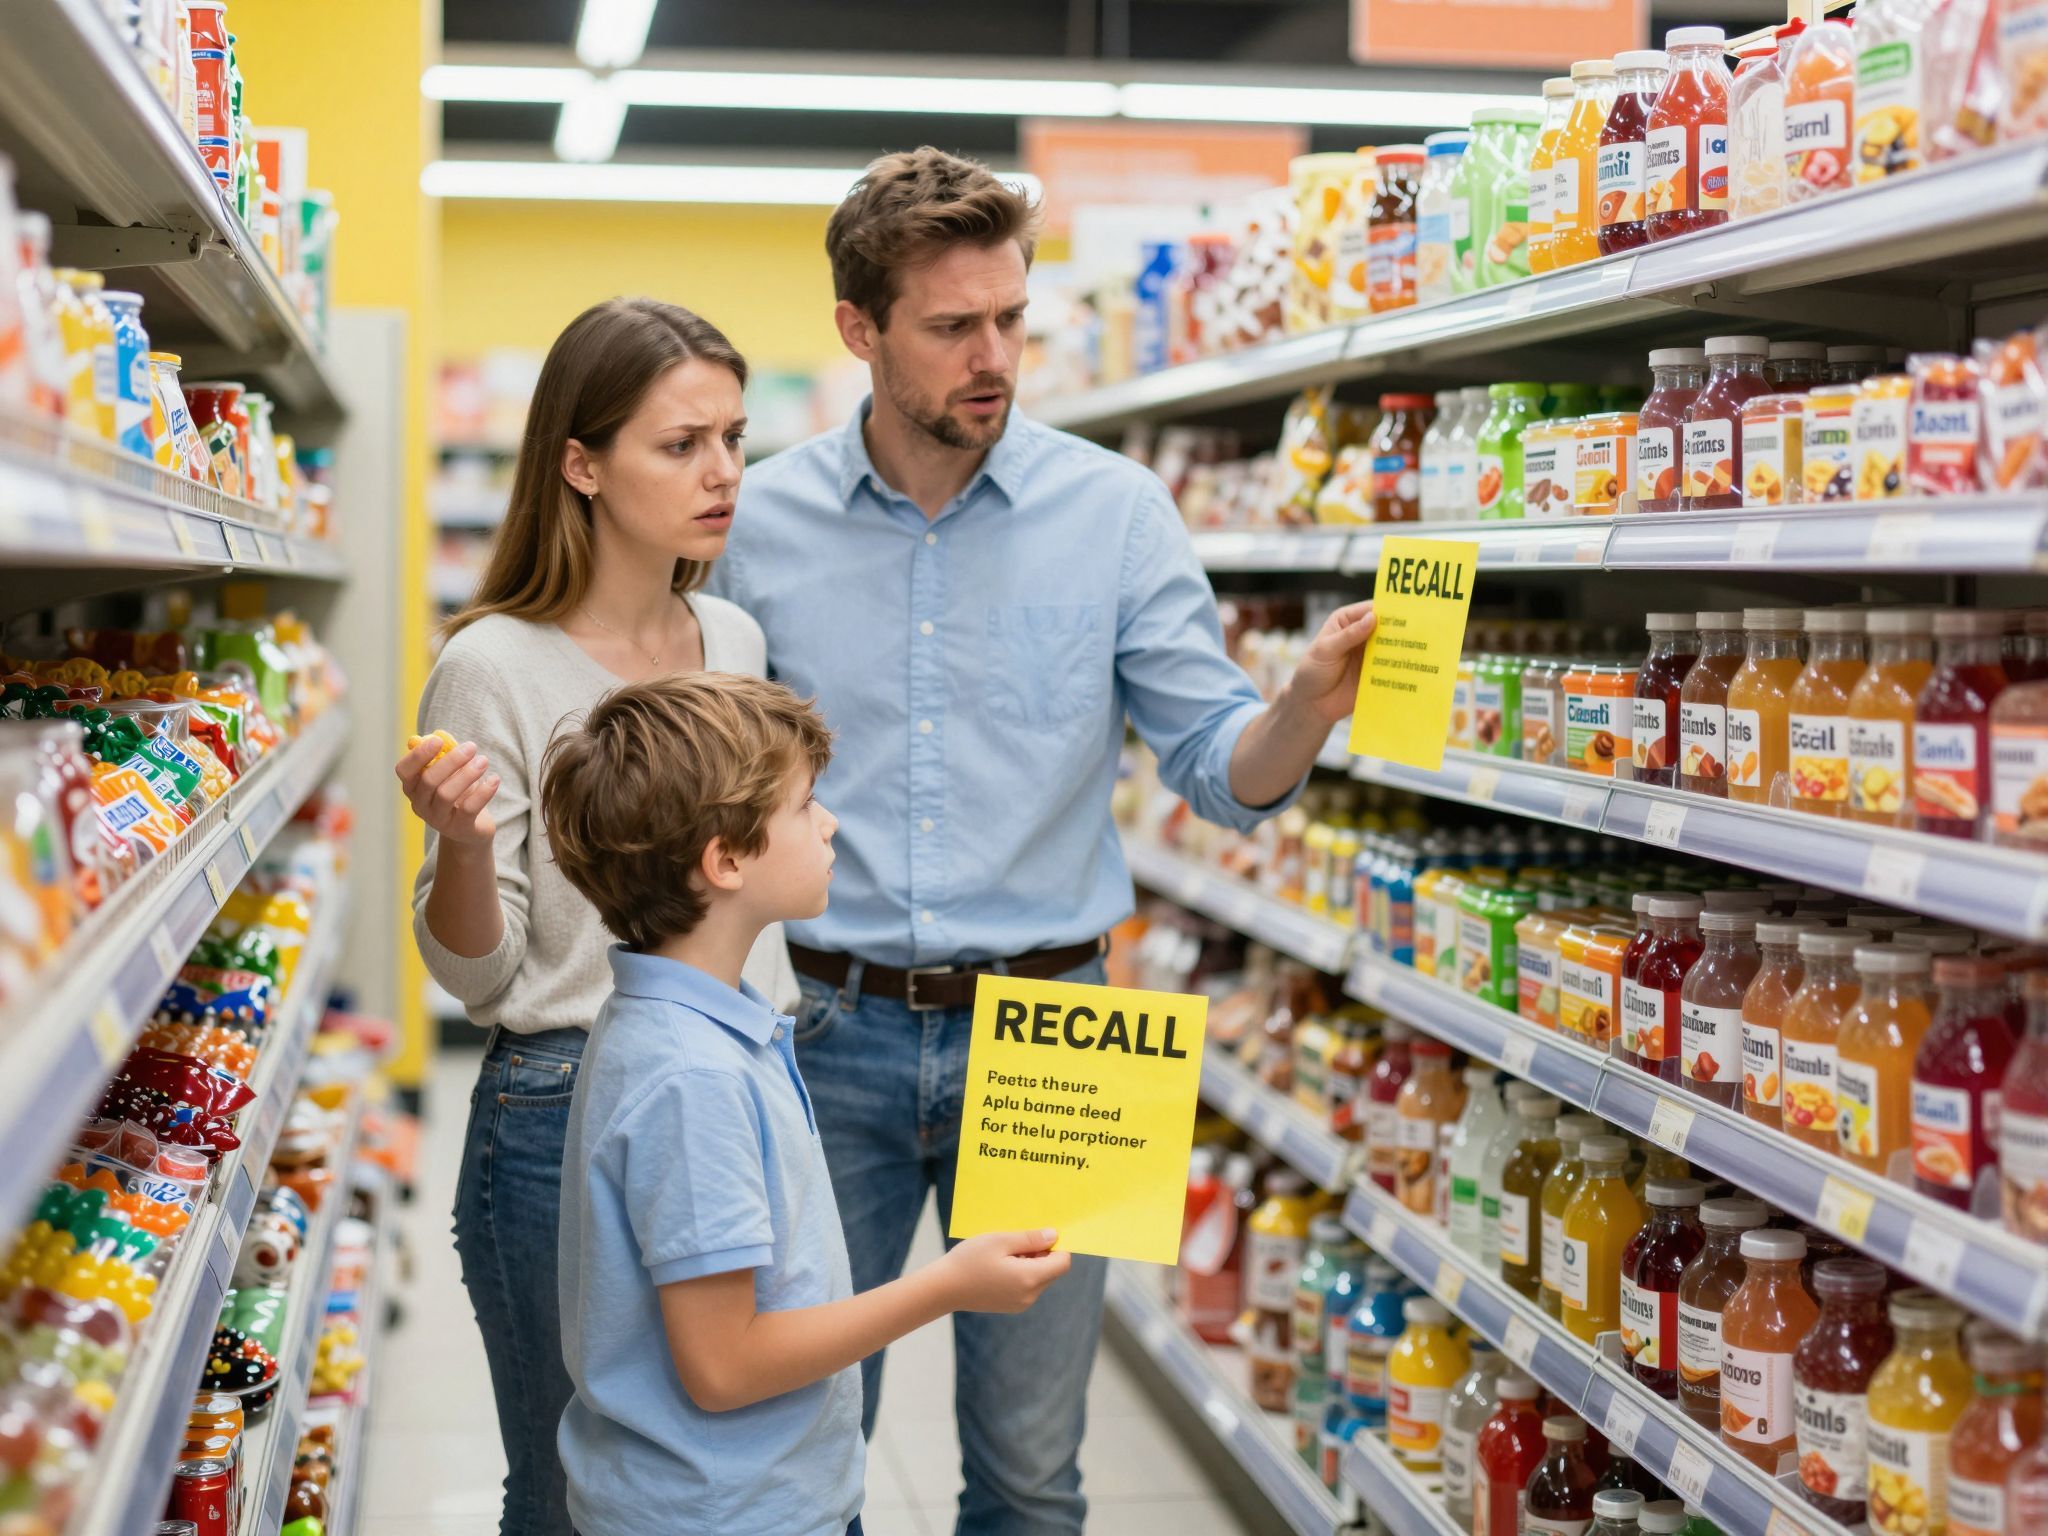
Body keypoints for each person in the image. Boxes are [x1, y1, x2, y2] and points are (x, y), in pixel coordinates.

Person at [711, 146, 1375, 1533]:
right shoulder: (756, 524)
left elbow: (1222, 776)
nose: (994, 357)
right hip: (815, 1022)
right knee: (796, 1455)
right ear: (858, 331)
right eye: (953, 326)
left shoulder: (1117, 513)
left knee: (1031, 1470)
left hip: (1066, 1034)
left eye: (1010, 318)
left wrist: (1303, 708)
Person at [400, 297, 797, 1536]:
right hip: (562, 1103)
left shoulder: (732, 637)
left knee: (714, 1475)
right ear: (580, 464)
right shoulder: (494, 666)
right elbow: (478, 973)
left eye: (732, 439)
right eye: (680, 445)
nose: (722, 472)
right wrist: (465, 849)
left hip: (737, 1080)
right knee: (571, 1489)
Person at [540, 671, 1070, 1536]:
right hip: (728, 1516)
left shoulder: (683, 1021)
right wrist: (947, 1286)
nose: (830, 824)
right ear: (726, 860)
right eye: (805, 806)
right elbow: (723, 1366)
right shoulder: (693, 1078)